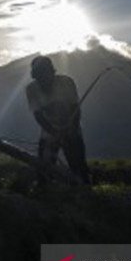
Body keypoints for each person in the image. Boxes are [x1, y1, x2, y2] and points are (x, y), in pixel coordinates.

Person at [25, 56, 91, 184]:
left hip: (71, 128)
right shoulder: (31, 89)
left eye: (45, 75)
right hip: (48, 131)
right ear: (35, 77)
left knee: (78, 165)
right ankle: (45, 192)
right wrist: (54, 132)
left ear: (52, 73)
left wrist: (71, 128)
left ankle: (85, 189)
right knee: (44, 167)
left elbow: (75, 109)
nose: (43, 80)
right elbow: (38, 115)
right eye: (39, 77)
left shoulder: (67, 82)